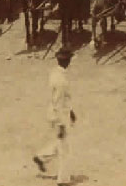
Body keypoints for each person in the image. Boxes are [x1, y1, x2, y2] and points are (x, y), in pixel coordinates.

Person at [33, 48, 76, 186]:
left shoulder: (55, 73)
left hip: (57, 112)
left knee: (60, 142)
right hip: (59, 115)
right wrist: (62, 123)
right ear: (67, 61)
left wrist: (71, 111)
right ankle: (63, 180)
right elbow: (58, 102)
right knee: (64, 148)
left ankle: (41, 157)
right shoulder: (61, 80)